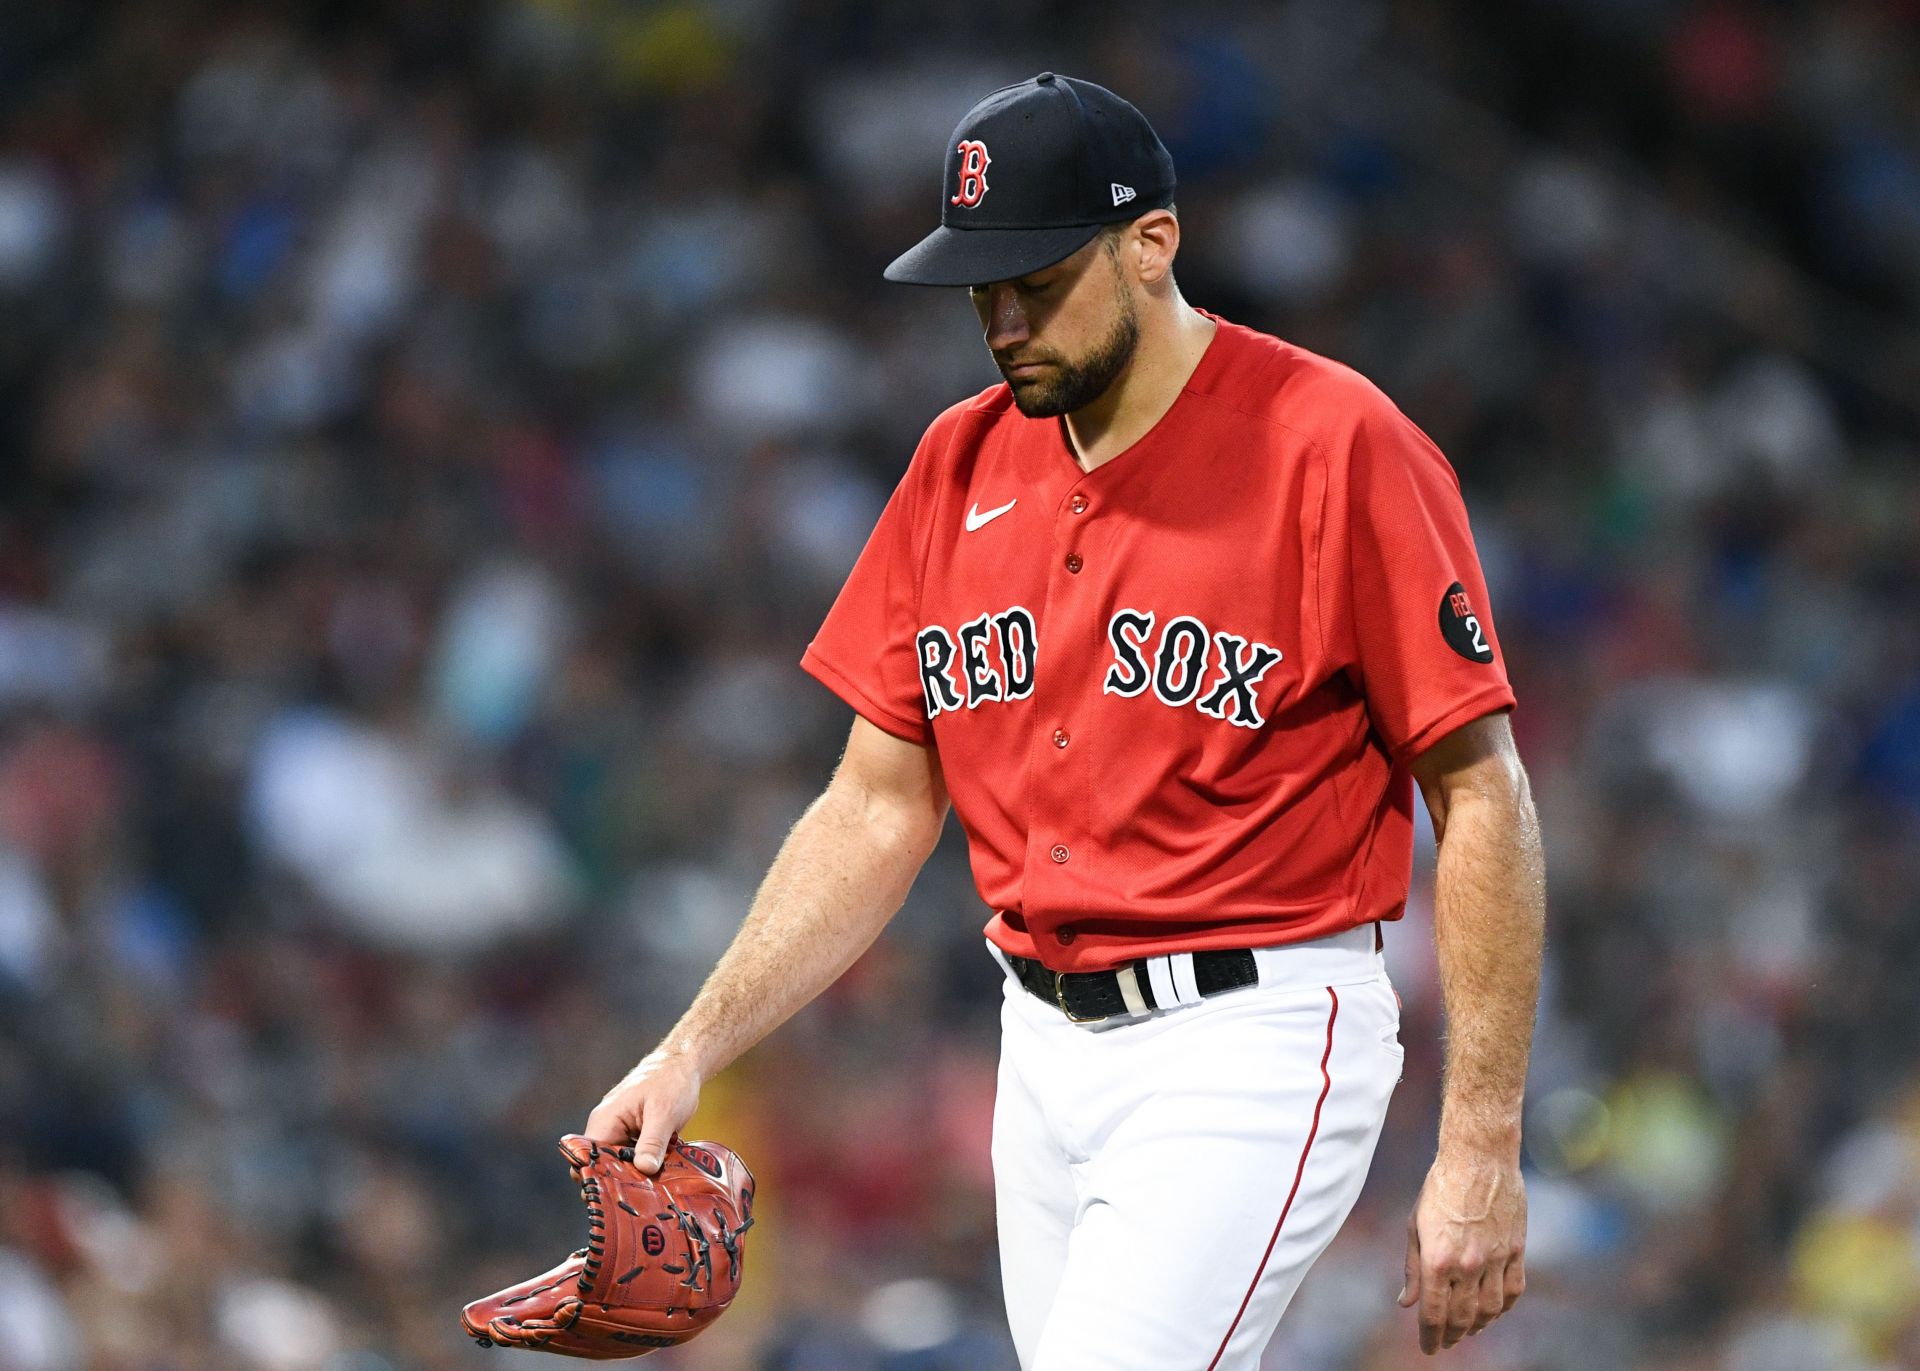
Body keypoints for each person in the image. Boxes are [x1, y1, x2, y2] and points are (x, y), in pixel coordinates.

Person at [585, 72, 1546, 1367]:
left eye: (1038, 278)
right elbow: (876, 804)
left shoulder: (1335, 444)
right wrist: (696, 1042)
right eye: (983, 287)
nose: (1005, 318)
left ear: (1153, 242)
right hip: (1037, 1047)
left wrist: (1481, 1141)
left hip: (1252, 1036)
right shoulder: (958, 462)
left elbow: (1483, 794)